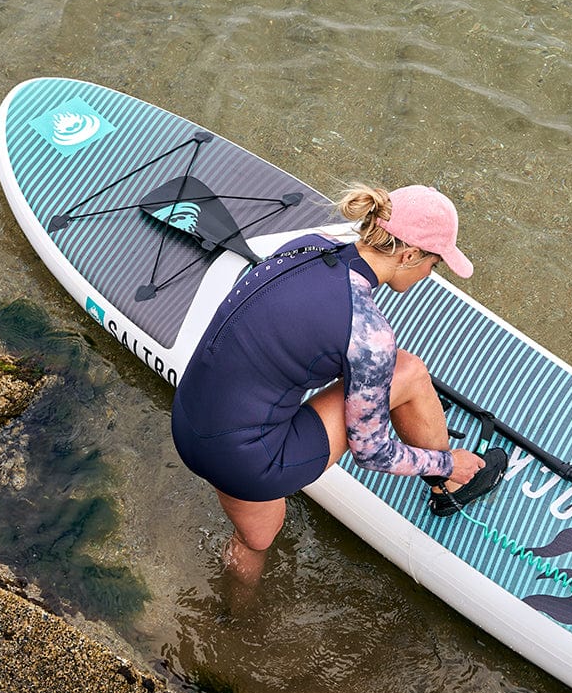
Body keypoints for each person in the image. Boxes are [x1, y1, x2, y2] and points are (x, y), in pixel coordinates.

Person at [171, 183, 507, 581]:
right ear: (410, 254)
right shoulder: (368, 334)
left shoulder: (307, 245)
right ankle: (448, 484)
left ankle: (236, 620)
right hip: (251, 460)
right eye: (433, 265)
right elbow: (373, 453)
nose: (427, 275)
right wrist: (447, 459)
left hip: (190, 426)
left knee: (259, 537)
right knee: (410, 372)